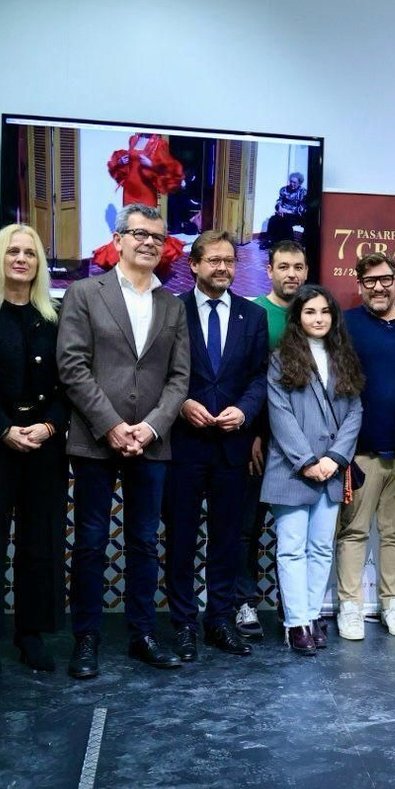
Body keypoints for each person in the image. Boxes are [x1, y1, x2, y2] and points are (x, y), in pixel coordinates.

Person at [57, 203, 190, 679]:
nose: (149, 242)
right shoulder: (83, 293)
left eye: (157, 236)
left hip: (152, 443)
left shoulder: (174, 304)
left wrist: (151, 426)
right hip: (96, 439)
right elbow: (72, 366)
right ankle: (86, 638)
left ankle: (142, 634)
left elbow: (178, 379)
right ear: (118, 240)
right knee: (91, 542)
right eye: (139, 234)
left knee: (143, 543)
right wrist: (112, 425)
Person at [0, 225, 68, 679]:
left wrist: (46, 427)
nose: (21, 259)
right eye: (12, 252)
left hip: (43, 444)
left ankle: (31, 634)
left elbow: (69, 382)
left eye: (30, 253)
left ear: (39, 263)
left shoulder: (55, 314)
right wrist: (5, 429)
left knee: (41, 541)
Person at [165, 230, 270, 661]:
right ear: (194, 264)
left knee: (227, 539)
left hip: (233, 445)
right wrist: (182, 402)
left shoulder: (252, 315)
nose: (223, 268)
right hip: (184, 443)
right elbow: (159, 372)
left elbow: (261, 376)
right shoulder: (172, 311)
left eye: (229, 261)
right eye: (214, 261)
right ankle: (185, 624)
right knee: (181, 539)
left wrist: (245, 411)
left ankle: (220, 620)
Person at [261, 285, 363, 655]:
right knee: (291, 549)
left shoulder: (344, 358)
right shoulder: (278, 359)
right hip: (291, 469)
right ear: (297, 318)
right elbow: (280, 415)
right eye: (310, 312)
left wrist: (334, 459)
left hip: (332, 470)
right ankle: (295, 623)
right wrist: (307, 461)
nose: (318, 318)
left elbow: (355, 413)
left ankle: (312, 614)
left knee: (321, 548)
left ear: (333, 317)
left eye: (324, 312)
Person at [335, 253, 395, 641]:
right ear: (359, 285)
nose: (378, 287)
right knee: (353, 532)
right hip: (359, 452)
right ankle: (350, 607)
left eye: (385, 279)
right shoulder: (346, 324)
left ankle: (392, 603)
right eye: (370, 281)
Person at [233, 239, 308, 637]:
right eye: (283, 266)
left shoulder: (316, 315)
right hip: (256, 441)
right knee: (246, 527)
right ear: (270, 271)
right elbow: (246, 380)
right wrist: (251, 435)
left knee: (295, 533)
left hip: (300, 447)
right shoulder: (252, 313)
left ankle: (294, 609)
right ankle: (243, 602)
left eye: (297, 267)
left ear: (306, 271)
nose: (291, 274)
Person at [264, 171, 308, 249]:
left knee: (285, 221)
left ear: (299, 183)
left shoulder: (303, 192)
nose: (292, 184)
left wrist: (287, 211)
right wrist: (279, 208)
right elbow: (279, 200)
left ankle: (289, 244)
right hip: (282, 212)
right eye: (291, 181)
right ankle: (270, 240)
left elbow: (302, 207)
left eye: (294, 182)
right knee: (273, 220)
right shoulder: (284, 189)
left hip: (296, 215)